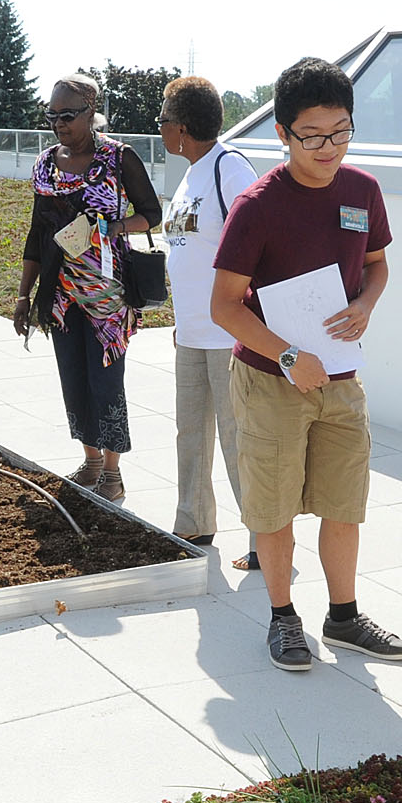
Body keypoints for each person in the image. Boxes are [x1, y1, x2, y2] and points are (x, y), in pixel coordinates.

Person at [210, 57, 402, 672]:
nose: (329, 147)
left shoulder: (363, 191)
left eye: (341, 131)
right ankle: (281, 617)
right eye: (313, 135)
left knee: (343, 501)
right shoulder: (257, 206)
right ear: (282, 133)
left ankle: (344, 617)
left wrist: (366, 304)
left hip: (341, 379)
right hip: (272, 379)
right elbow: (223, 306)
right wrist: (290, 356)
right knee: (272, 507)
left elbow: (376, 264)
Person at [15, 73, 163, 502]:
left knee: (106, 380)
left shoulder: (119, 158)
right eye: (52, 116)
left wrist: (111, 227)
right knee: (74, 378)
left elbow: (151, 213)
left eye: (68, 115)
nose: (59, 124)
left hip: (107, 297)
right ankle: (92, 459)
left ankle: (113, 471)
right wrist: (25, 293)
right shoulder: (45, 164)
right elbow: (37, 233)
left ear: (91, 112)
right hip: (60, 297)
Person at [158, 75, 261, 553]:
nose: (159, 128)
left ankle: (266, 536)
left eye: (163, 120)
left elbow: (259, 246)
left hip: (229, 337)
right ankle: (193, 522)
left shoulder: (229, 168)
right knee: (191, 434)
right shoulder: (190, 174)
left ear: (181, 127)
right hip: (193, 333)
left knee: (240, 440)